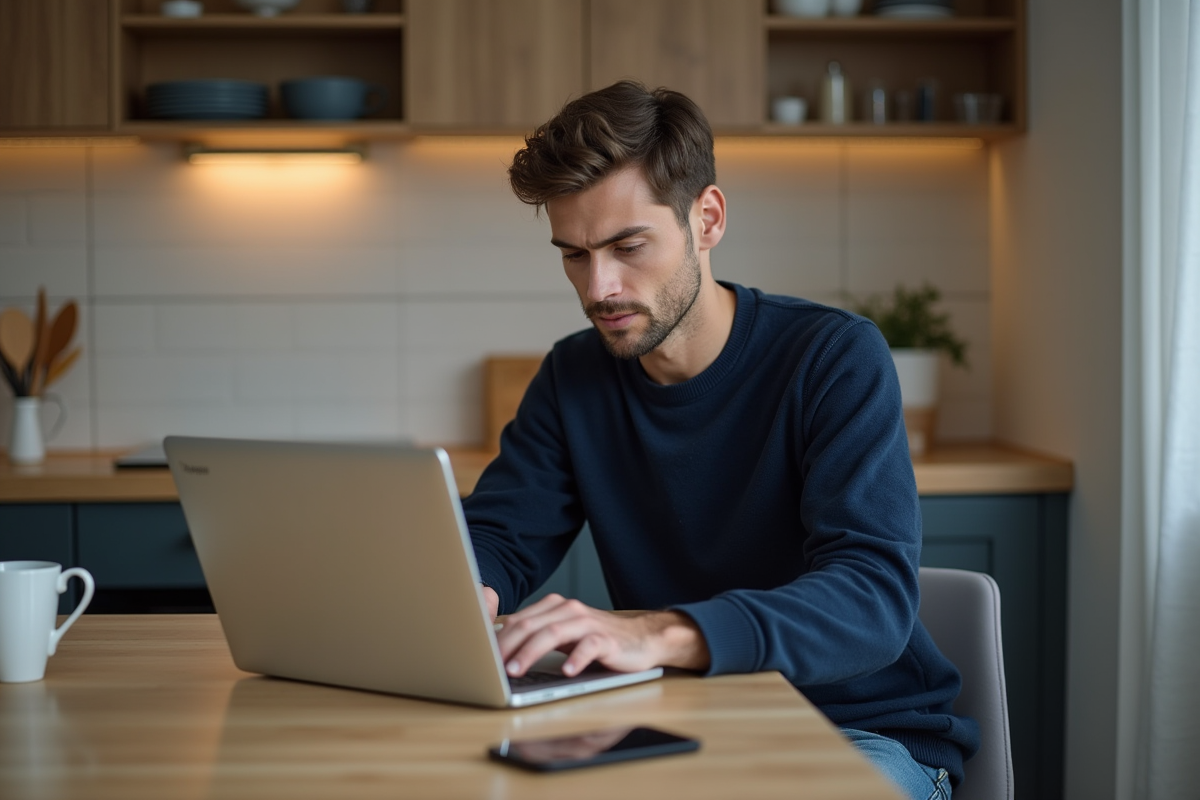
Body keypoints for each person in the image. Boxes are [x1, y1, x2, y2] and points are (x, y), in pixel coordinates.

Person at [462, 80, 979, 800]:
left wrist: (653, 634)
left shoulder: (833, 357)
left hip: (857, 730)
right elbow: (501, 539)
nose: (599, 286)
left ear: (706, 219)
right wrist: (462, 595)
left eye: (627, 245)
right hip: (677, 721)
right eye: (573, 254)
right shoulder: (573, 376)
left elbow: (870, 599)